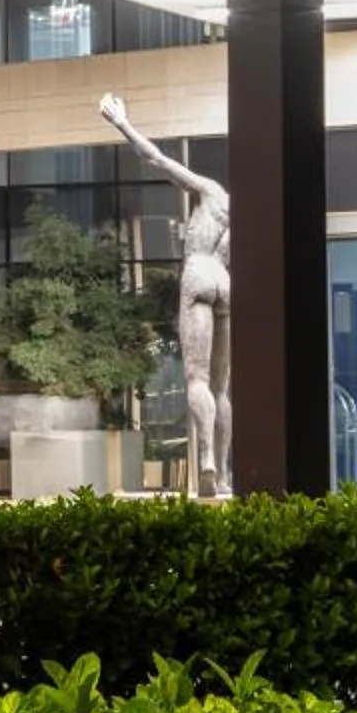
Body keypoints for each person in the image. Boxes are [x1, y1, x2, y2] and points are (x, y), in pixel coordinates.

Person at [99, 94, 230, 499]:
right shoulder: (243, 213)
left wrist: (123, 124)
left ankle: (206, 460)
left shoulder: (212, 193)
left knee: (197, 379)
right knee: (221, 389)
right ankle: (225, 473)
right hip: (226, 281)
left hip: (199, 272)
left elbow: (157, 159)